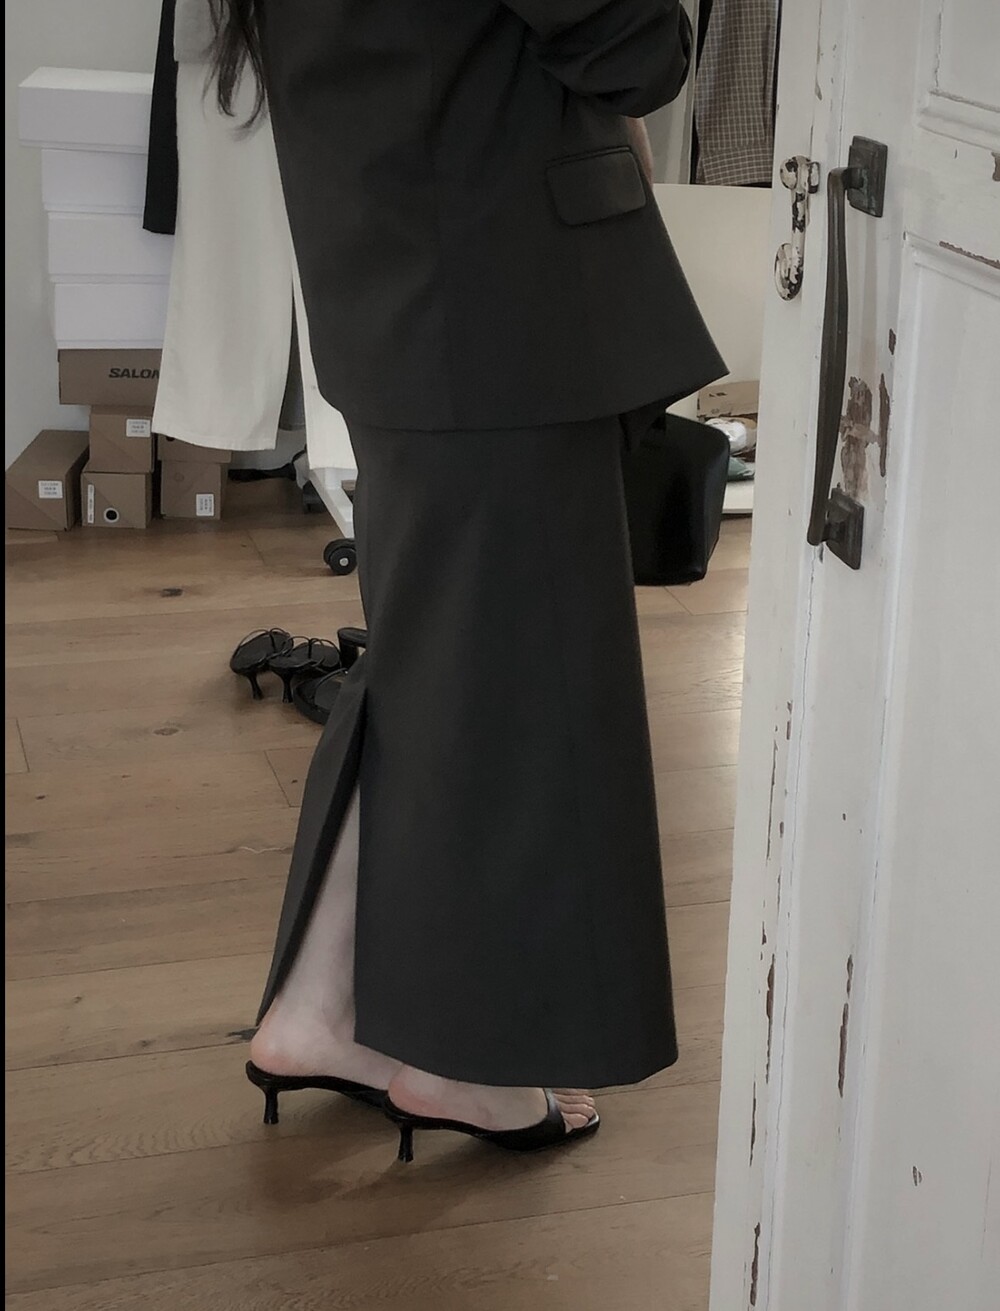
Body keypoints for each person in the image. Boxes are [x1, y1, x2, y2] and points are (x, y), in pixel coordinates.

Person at [211, 0, 725, 1161]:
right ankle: (464, 1068)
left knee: (445, 663)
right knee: (517, 696)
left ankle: (319, 1010)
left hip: (398, 270)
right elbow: (631, 45)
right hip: (499, 296)